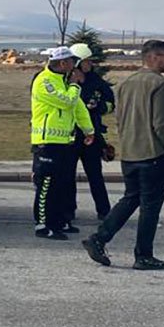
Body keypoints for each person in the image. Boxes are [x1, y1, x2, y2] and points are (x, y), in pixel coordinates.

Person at [82, 40, 164, 271]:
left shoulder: (126, 83)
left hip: (130, 154)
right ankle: (143, 255)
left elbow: (120, 118)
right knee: (150, 208)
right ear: (155, 57)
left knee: (131, 199)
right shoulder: (159, 84)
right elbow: (162, 124)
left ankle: (99, 238)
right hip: (154, 154)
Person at [30, 46, 95, 241]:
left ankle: (58, 221)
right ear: (62, 63)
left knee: (61, 184)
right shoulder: (44, 81)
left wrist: (88, 129)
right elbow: (66, 102)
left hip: (63, 141)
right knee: (46, 184)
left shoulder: (63, 82)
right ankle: (42, 224)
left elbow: (78, 107)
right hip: (46, 141)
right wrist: (75, 85)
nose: (74, 65)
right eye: (71, 61)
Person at [69, 42, 116, 221]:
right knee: (68, 176)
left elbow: (111, 103)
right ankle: (68, 211)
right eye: (87, 61)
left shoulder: (96, 81)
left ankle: (104, 211)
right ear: (78, 62)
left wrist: (99, 107)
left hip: (92, 135)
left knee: (95, 175)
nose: (90, 64)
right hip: (71, 135)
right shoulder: (67, 82)